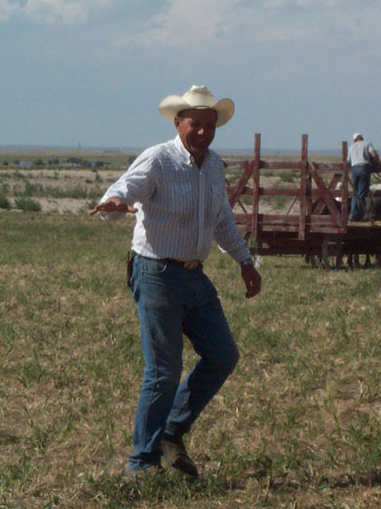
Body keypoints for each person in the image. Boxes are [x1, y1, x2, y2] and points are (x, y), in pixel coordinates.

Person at [89, 85, 262, 479]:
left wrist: (245, 262)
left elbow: (220, 220)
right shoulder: (159, 159)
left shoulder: (215, 166)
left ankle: (170, 432)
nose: (202, 132)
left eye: (208, 125)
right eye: (194, 124)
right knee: (163, 371)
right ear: (178, 123)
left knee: (223, 355)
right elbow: (124, 190)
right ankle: (142, 463)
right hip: (156, 273)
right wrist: (115, 204)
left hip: (193, 275)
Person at [348, 132, 379, 221]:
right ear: (361, 138)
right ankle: (359, 214)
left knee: (355, 192)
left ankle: (352, 213)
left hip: (354, 169)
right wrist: (376, 162)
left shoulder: (351, 147)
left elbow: (348, 160)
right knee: (362, 192)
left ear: (354, 140)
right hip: (364, 168)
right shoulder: (367, 144)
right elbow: (374, 155)